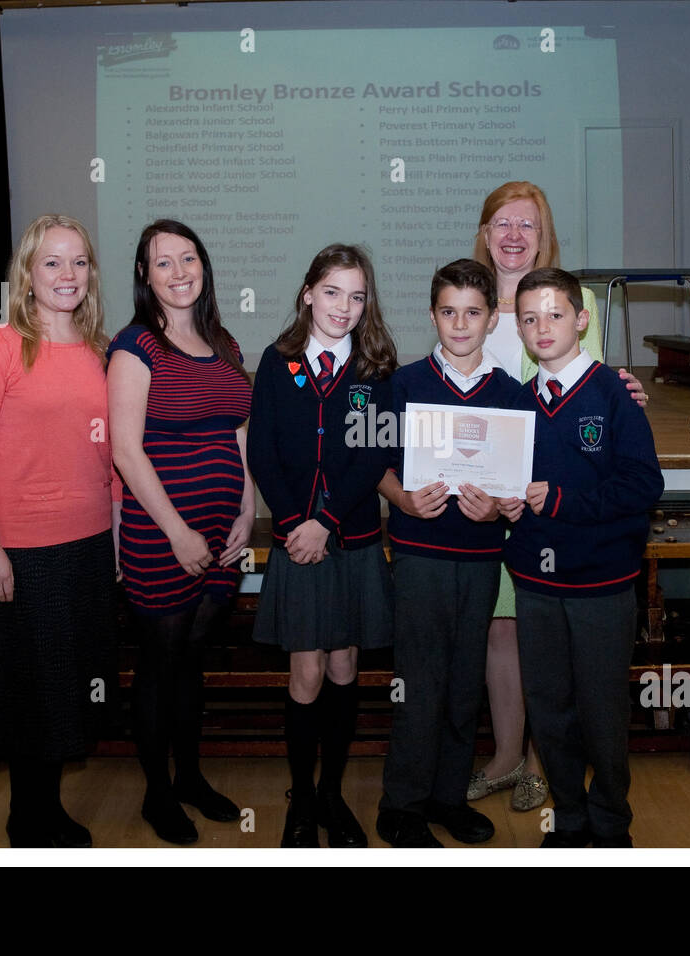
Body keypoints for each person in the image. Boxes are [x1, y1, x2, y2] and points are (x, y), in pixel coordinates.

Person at [469, 180, 648, 811]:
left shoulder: (574, 309)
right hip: (495, 512)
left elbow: (591, 396)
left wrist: (623, 396)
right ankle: (510, 757)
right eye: (502, 223)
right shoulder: (470, 300)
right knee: (504, 632)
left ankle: (555, 774)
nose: (514, 235)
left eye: (529, 225)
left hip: (575, 537)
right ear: (485, 232)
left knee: (582, 675)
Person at [0, 213, 119, 848]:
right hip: (21, 551)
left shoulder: (103, 352)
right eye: (52, 262)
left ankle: (47, 808)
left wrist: (119, 537)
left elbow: (111, 457)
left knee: (68, 686)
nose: (67, 274)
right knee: (32, 691)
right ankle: (28, 819)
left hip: (88, 545)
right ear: (27, 273)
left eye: (78, 262)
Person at [502, 267, 664, 847]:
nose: (541, 327)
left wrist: (565, 500)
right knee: (549, 710)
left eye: (554, 314)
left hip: (601, 583)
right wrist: (504, 506)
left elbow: (645, 485)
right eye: (528, 318)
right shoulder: (518, 403)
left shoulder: (615, 394)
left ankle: (611, 821)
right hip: (536, 584)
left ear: (582, 319)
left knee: (602, 712)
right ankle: (568, 819)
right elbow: (508, 486)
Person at [107, 220, 253, 845]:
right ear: (145, 275)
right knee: (160, 668)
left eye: (187, 258)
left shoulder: (225, 344)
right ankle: (157, 794)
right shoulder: (134, 347)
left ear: (204, 264)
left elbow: (240, 436)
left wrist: (248, 509)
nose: (178, 271)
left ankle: (190, 777)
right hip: (161, 536)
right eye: (162, 263)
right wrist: (177, 534)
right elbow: (126, 451)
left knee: (193, 664)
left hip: (224, 536)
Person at [247, 243, 398, 848]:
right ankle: (301, 800)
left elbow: (375, 454)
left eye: (357, 296)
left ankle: (333, 794)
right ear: (308, 293)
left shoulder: (374, 369)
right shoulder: (276, 360)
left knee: (343, 666)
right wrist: (291, 522)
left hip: (351, 539)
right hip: (295, 539)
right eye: (332, 292)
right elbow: (262, 451)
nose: (344, 307)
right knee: (305, 672)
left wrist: (328, 520)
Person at [375, 259, 519, 848]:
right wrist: (402, 499)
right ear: (432, 315)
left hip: (481, 558)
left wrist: (500, 508)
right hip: (419, 556)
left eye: (473, 312)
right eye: (448, 311)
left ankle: (447, 797)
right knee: (420, 682)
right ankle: (400, 806)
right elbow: (376, 465)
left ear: (490, 320)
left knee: (464, 686)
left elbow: (517, 484)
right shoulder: (404, 384)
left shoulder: (511, 393)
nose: (460, 324)